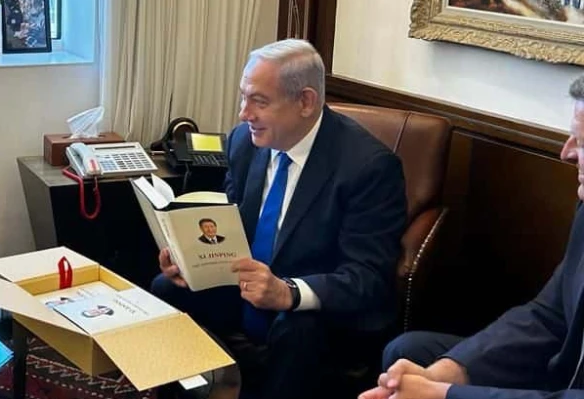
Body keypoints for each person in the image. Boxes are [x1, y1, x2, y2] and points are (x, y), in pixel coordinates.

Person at [152, 39, 407, 399]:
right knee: (166, 289)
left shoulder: (368, 168)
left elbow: (368, 278)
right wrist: (189, 256)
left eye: (259, 101)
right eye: (243, 97)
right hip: (250, 288)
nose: (244, 113)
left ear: (305, 101)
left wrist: (288, 292)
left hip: (318, 310)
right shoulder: (244, 141)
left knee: (296, 329)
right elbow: (232, 224)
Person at [360, 74, 584, 399]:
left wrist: (443, 394)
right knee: (410, 353)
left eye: (580, 141)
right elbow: (548, 316)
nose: (566, 153)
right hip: (563, 370)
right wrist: (442, 373)